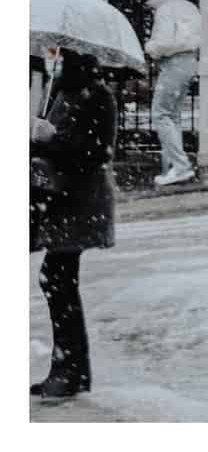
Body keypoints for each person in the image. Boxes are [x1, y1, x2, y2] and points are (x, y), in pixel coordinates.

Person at [30, 49, 118, 398]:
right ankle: (71, 369)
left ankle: (69, 371)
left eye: (64, 58)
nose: (59, 63)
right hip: (66, 200)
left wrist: (49, 138)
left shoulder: (97, 96)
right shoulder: (67, 91)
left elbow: (91, 151)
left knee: (57, 280)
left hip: (80, 201)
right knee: (57, 280)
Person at [143, 0, 202, 186]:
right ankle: (171, 166)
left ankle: (180, 166)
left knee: (160, 113)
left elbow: (165, 42)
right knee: (172, 116)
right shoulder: (190, 7)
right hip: (190, 62)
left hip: (174, 63)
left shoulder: (165, 10)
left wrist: (150, 47)